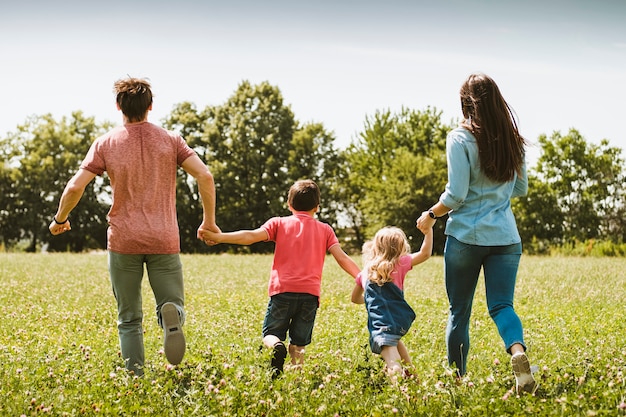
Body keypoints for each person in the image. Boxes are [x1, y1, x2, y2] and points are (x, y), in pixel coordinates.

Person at [49, 77, 219, 376]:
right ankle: (171, 316)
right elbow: (204, 176)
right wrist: (209, 221)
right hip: (163, 238)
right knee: (172, 304)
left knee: (128, 318)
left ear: (118, 106)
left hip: (123, 240)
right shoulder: (171, 140)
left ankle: (136, 377)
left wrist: (60, 219)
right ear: (150, 107)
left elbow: (75, 187)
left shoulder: (106, 143)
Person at [416, 72, 536, 393]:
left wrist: (430, 215)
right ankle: (518, 353)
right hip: (506, 239)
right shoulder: (514, 140)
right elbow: (520, 189)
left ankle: (458, 380)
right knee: (501, 306)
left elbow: (455, 195)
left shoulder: (460, 138)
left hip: (466, 238)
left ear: (466, 103)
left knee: (459, 313)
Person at [200, 179, 361, 378]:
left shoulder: (278, 223)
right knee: (299, 343)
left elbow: (250, 236)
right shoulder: (325, 230)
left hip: (282, 292)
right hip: (310, 295)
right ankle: (296, 382)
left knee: (270, 333)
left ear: (289, 204)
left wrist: (220, 237)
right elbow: (342, 257)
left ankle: (276, 346)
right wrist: (361, 277)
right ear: (317, 207)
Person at [351, 225, 433, 379]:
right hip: (399, 319)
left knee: (392, 361)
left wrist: (369, 300)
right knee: (396, 343)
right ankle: (413, 379)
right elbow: (425, 253)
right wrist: (428, 231)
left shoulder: (364, 273)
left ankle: (400, 394)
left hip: (382, 324)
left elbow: (354, 299)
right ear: (401, 247)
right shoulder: (401, 263)